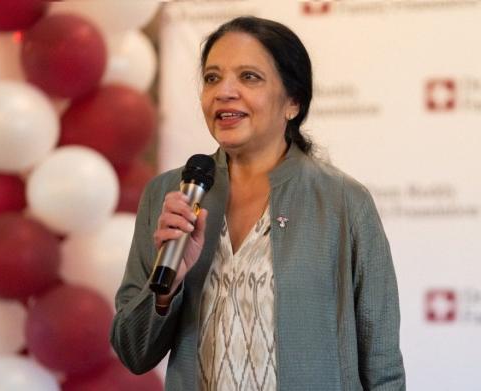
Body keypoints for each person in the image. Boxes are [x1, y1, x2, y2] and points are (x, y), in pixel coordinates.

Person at [111, 16, 404, 390]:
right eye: (213, 78)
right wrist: (166, 287)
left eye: (249, 77)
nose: (224, 92)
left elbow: (383, 366)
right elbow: (132, 352)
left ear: (293, 102)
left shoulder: (344, 202)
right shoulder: (171, 194)